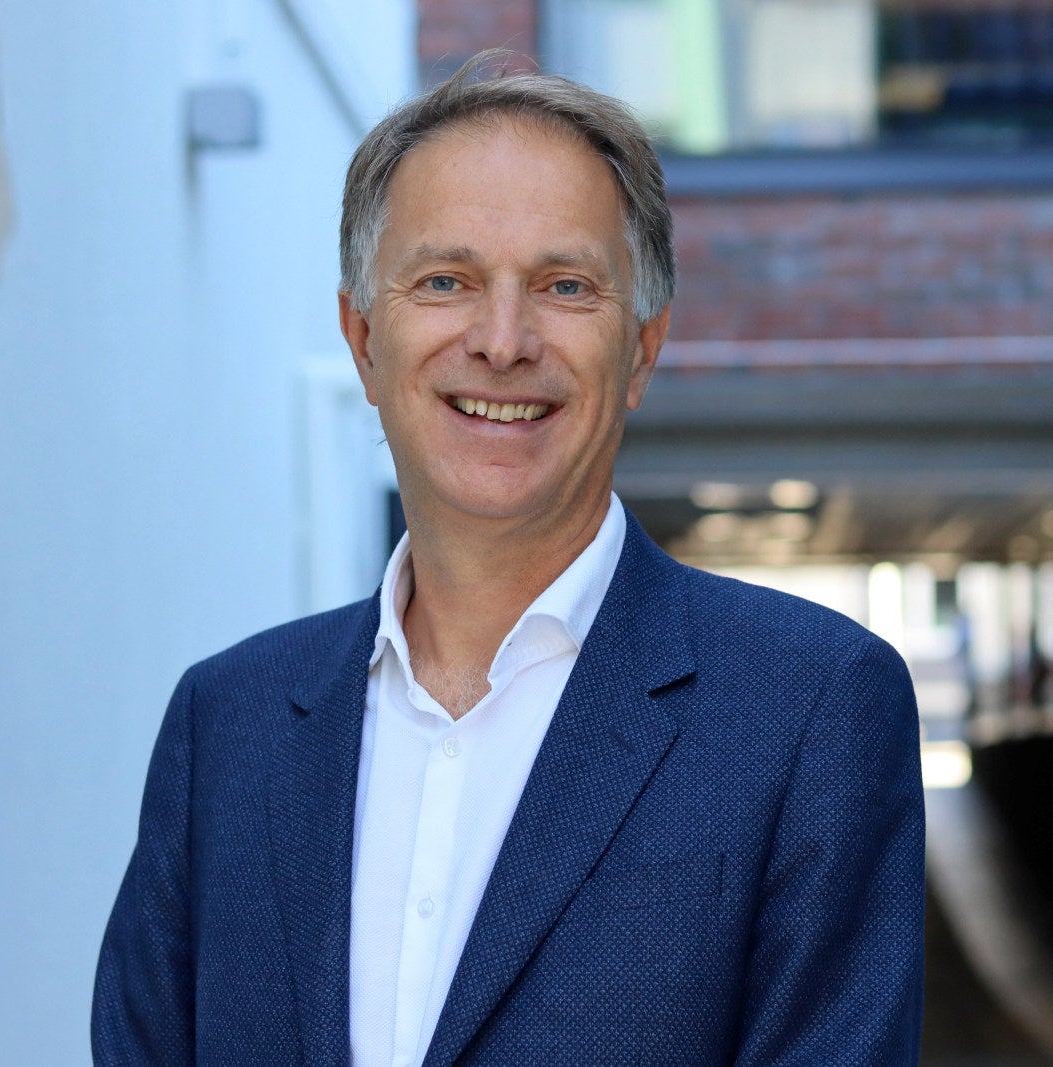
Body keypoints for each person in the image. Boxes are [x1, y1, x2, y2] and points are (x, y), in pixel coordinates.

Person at [93, 53, 924, 1066]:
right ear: (362, 338)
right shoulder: (226, 725)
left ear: (642, 348)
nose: (501, 339)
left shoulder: (810, 708)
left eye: (564, 285)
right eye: (445, 280)